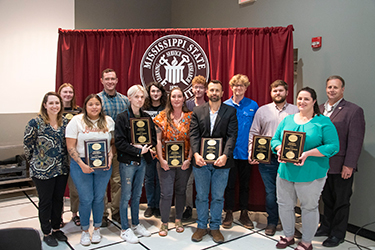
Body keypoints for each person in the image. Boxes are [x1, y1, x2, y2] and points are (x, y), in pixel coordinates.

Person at [271, 87, 339, 250]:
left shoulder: (323, 122)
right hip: (285, 171)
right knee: (284, 204)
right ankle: (288, 236)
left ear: (314, 101)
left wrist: (307, 154)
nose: (302, 102)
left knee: (309, 207)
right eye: (299, 98)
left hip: (311, 173)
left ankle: (306, 242)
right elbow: (274, 140)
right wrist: (279, 149)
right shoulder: (288, 120)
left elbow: (333, 146)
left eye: (306, 99)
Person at [315, 75, 365, 247]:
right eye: (329, 87)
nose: (332, 90)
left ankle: (338, 233)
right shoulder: (319, 109)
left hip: (341, 165)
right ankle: (326, 226)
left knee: (341, 201)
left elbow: (356, 140)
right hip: (322, 164)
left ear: (342, 89)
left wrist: (349, 165)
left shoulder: (353, 110)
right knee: (326, 199)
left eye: (336, 87)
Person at [248, 80, 299, 236]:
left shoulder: (296, 110)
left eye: (281, 90)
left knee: (289, 192)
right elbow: (254, 133)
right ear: (271, 93)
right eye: (275, 91)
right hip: (267, 158)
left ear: (287, 92)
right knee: (271, 192)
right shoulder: (262, 111)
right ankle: (272, 222)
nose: (278, 93)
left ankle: (289, 224)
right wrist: (252, 152)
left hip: (289, 159)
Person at [190, 80, 238, 243]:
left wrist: (225, 155)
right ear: (207, 92)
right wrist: (196, 154)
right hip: (201, 162)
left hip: (222, 163)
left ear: (222, 93)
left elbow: (232, 136)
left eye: (217, 90)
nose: (214, 93)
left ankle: (215, 227)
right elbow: (194, 135)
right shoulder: (197, 111)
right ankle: (202, 226)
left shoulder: (230, 111)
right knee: (202, 196)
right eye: (211, 90)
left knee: (218, 197)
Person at [66, 94, 114, 246]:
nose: (94, 107)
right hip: (81, 164)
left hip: (103, 164)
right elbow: (70, 147)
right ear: (85, 107)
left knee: (99, 198)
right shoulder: (76, 121)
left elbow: (112, 144)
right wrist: (82, 164)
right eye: (91, 104)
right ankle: (85, 231)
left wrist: (111, 157)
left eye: (97, 104)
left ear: (101, 106)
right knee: (86, 199)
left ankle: (97, 228)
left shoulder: (109, 121)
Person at [24, 92, 69, 247]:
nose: (54, 106)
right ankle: (47, 232)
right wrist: (35, 163)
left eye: (57, 103)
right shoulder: (35, 123)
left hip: (61, 168)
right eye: (51, 103)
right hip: (42, 170)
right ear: (45, 105)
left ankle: (56, 228)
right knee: (45, 201)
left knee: (58, 200)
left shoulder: (66, 122)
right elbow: (27, 146)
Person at [115, 85, 156, 243]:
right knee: (126, 196)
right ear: (129, 98)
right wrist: (136, 149)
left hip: (142, 162)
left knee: (137, 195)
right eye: (137, 96)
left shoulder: (146, 117)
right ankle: (125, 228)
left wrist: (148, 148)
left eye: (142, 97)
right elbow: (119, 142)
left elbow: (151, 137)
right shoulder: (122, 117)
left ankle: (136, 223)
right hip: (128, 162)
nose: (140, 100)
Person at [153, 87, 193, 236]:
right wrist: (161, 159)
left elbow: (193, 140)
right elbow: (157, 140)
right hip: (165, 162)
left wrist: (189, 159)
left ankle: (178, 219)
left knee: (181, 191)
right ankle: (164, 222)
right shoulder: (162, 116)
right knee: (166, 193)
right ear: (170, 99)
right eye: (173, 96)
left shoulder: (190, 117)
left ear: (183, 99)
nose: (176, 99)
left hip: (184, 163)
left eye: (179, 96)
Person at [223, 74, 258, 229]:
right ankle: (228, 212)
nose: (238, 88)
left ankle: (244, 213)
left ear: (246, 87)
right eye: (235, 85)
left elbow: (257, 130)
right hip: (229, 153)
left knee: (245, 185)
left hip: (246, 153)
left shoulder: (253, 105)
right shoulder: (224, 105)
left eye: (241, 85)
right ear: (231, 87)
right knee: (228, 185)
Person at [97, 68, 130, 226]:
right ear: (102, 81)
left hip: (119, 149)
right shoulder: (96, 100)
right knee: (102, 183)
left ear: (117, 81)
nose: (110, 81)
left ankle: (116, 211)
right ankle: (101, 213)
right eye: (107, 79)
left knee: (118, 181)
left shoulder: (124, 100)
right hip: (100, 150)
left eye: (113, 79)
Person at [57, 83, 82, 227]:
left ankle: (75, 213)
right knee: (59, 187)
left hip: (75, 153)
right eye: (65, 92)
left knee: (75, 187)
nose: (67, 95)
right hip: (59, 154)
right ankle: (58, 215)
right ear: (60, 93)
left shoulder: (79, 111)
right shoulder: (55, 110)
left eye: (70, 92)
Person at [183, 75, 207, 220]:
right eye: (195, 87)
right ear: (192, 89)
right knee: (187, 181)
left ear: (205, 90)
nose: (198, 90)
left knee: (202, 180)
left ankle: (202, 208)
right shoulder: (187, 105)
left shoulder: (209, 105)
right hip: (187, 148)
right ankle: (188, 207)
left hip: (204, 149)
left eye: (201, 87)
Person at [142, 82, 167, 218]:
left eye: (158, 91)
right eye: (153, 91)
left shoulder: (166, 108)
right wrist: (149, 147)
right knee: (149, 178)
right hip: (147, 149)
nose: (155, 94)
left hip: (162, 149)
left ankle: (159, 205)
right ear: (149, 93)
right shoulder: (143, 109)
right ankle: (151, 205)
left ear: (162, 93)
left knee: (160, 178)